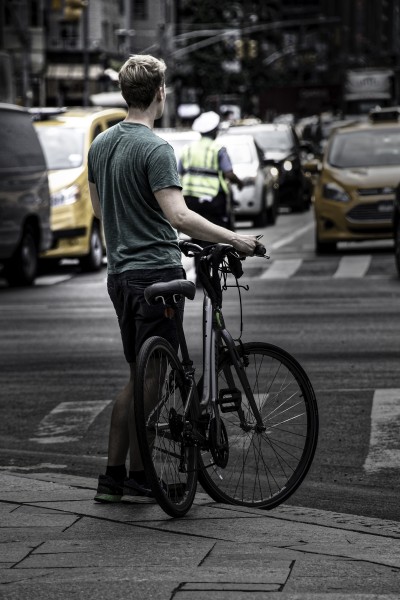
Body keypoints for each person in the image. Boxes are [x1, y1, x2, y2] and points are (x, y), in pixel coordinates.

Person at [87, 54, 261, 505]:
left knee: (139, 371)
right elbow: (180, 216)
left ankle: (115, 477)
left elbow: (101, 212)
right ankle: (141, 477)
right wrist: (236, 239)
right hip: (156, 274)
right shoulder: (156, 148)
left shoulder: (101, 146)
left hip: (119, 274)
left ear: (127, 93)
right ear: (160, 93)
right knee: (152, 375)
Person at [178, 110, 242, 241]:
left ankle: (199, 260)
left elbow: (179, 172)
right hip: (213, 199)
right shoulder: (218, 148)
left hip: (190, 199)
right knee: (215, 233)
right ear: (214, 131)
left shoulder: (188, 149)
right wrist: (240, 183)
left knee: (196, 233)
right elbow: (228, 173)